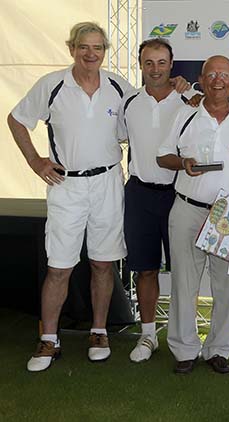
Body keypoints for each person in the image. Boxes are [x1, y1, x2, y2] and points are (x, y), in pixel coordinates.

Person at [7, 22, 132, 371]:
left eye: (97, 48)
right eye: (83, 47)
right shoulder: (52, 85)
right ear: (71, 48)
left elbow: (148, 112)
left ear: (105, 50)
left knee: (103, 263)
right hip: (66, 186)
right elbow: (16, 120)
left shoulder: (119, 87)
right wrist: (35, 160)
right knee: (59, 267)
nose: (91, 54)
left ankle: (99, 332)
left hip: (108, 182)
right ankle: (48, 340)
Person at [157, 55, 229, 374]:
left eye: (225, 75)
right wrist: (183, 163)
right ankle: (184, 350)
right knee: (184, 284)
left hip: (228, 214)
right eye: (211, 75)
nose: (218, 80)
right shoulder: (184, 114)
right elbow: (163, 157)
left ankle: (218, 349)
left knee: (227, 287)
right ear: (201, 81)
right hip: (188, 208)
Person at [118, 38, 191, 362]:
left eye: (162, 63)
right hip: (139, 193)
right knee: (145, 270)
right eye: (149, 63)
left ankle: (183, 337)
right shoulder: (129, 102)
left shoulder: (189, 99)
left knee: (184, 272)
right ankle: (148, 336)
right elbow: (116, 138)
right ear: (140, 65)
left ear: (171, 65)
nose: (156, 69)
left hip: (179, 195)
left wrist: (190, 92)